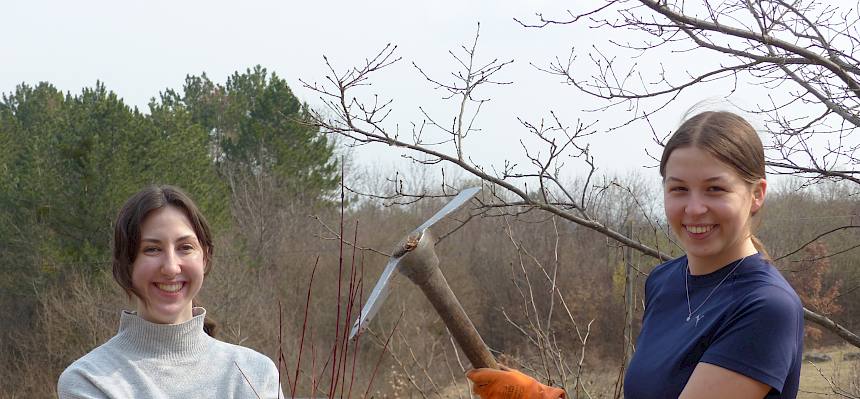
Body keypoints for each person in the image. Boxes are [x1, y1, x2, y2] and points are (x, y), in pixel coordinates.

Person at [466, 111, 803, 399]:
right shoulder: (665, 281)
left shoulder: (765, 308)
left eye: (715, 189)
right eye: (679, 189)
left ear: (757, 194)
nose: (694, 208)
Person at [58, 185, 282, 398]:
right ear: (127, 264)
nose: (171, 268)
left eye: (185, 247)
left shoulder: (254, 373)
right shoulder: (88, 380)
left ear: (205, 257)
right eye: (152, 249)